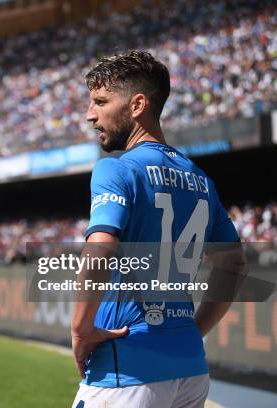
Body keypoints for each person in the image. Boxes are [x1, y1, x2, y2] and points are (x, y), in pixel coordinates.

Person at [70, 50, 244, 407]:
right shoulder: (201, 180)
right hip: (190, 369)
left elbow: (100, 249)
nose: (91, 115)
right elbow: (233, 264)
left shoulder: (116, 169)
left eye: (101, 102)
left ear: (137, 105)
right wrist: (190, 333)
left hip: (127, 368)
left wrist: (80, 328)